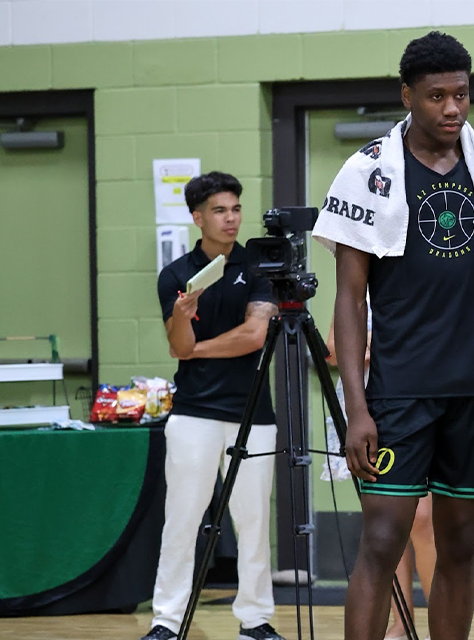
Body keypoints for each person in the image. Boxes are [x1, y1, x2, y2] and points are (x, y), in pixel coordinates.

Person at [311, 31, 474, 640]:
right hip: (399, 393)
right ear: (407, 96)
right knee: (382, 543)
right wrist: (355, 407)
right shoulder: (367, 173)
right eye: (437, 95)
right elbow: (348, 299)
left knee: (461, 548)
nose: (452, 108)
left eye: (462, 94)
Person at [143, 171, 285, 640]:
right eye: (220, 211)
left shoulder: (260, 266)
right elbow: (178, 342)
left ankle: (255, 620)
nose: (231, 218)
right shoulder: (176, 275)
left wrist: (192, 348)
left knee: (253, 521)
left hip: (252, 414)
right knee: (182, 519)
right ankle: (166, 620)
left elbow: (255, 334)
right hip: (193, 415)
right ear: (197, 217)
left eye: (236, 209)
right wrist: (182, 323)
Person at [323, 316, 436, 640]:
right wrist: (384, 340)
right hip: (371, 408)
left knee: (424, 519)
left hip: (420, 403)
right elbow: (334, 348)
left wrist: (368, 341)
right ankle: (402, 622)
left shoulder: (423, 278)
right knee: (389, 521)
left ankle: (442, 624)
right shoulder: (361, 282)